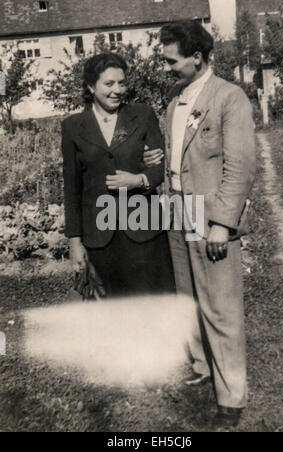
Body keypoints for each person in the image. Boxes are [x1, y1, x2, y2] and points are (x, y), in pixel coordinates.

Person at [144, 20, 256, 429]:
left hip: (209, 217)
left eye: (172, 60)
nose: (166, 67)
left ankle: (232, 398)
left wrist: (222, 225)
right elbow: (181, 157)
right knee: (189, 297)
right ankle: (203, 366)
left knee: (221, 306)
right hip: (177, 210)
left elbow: (239, 167)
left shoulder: (230, 98)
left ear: (197, 57)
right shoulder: (175, 100)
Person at [61, 53, 175, 298]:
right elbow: (72, 188)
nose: (117, 90)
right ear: (91, 86)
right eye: (109, 84)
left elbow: (160, 167)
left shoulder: (142, 115)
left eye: (122, 83)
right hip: (100, 236)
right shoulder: (72, 126)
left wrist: (138, 180)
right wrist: (75, 241)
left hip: (144, 227)